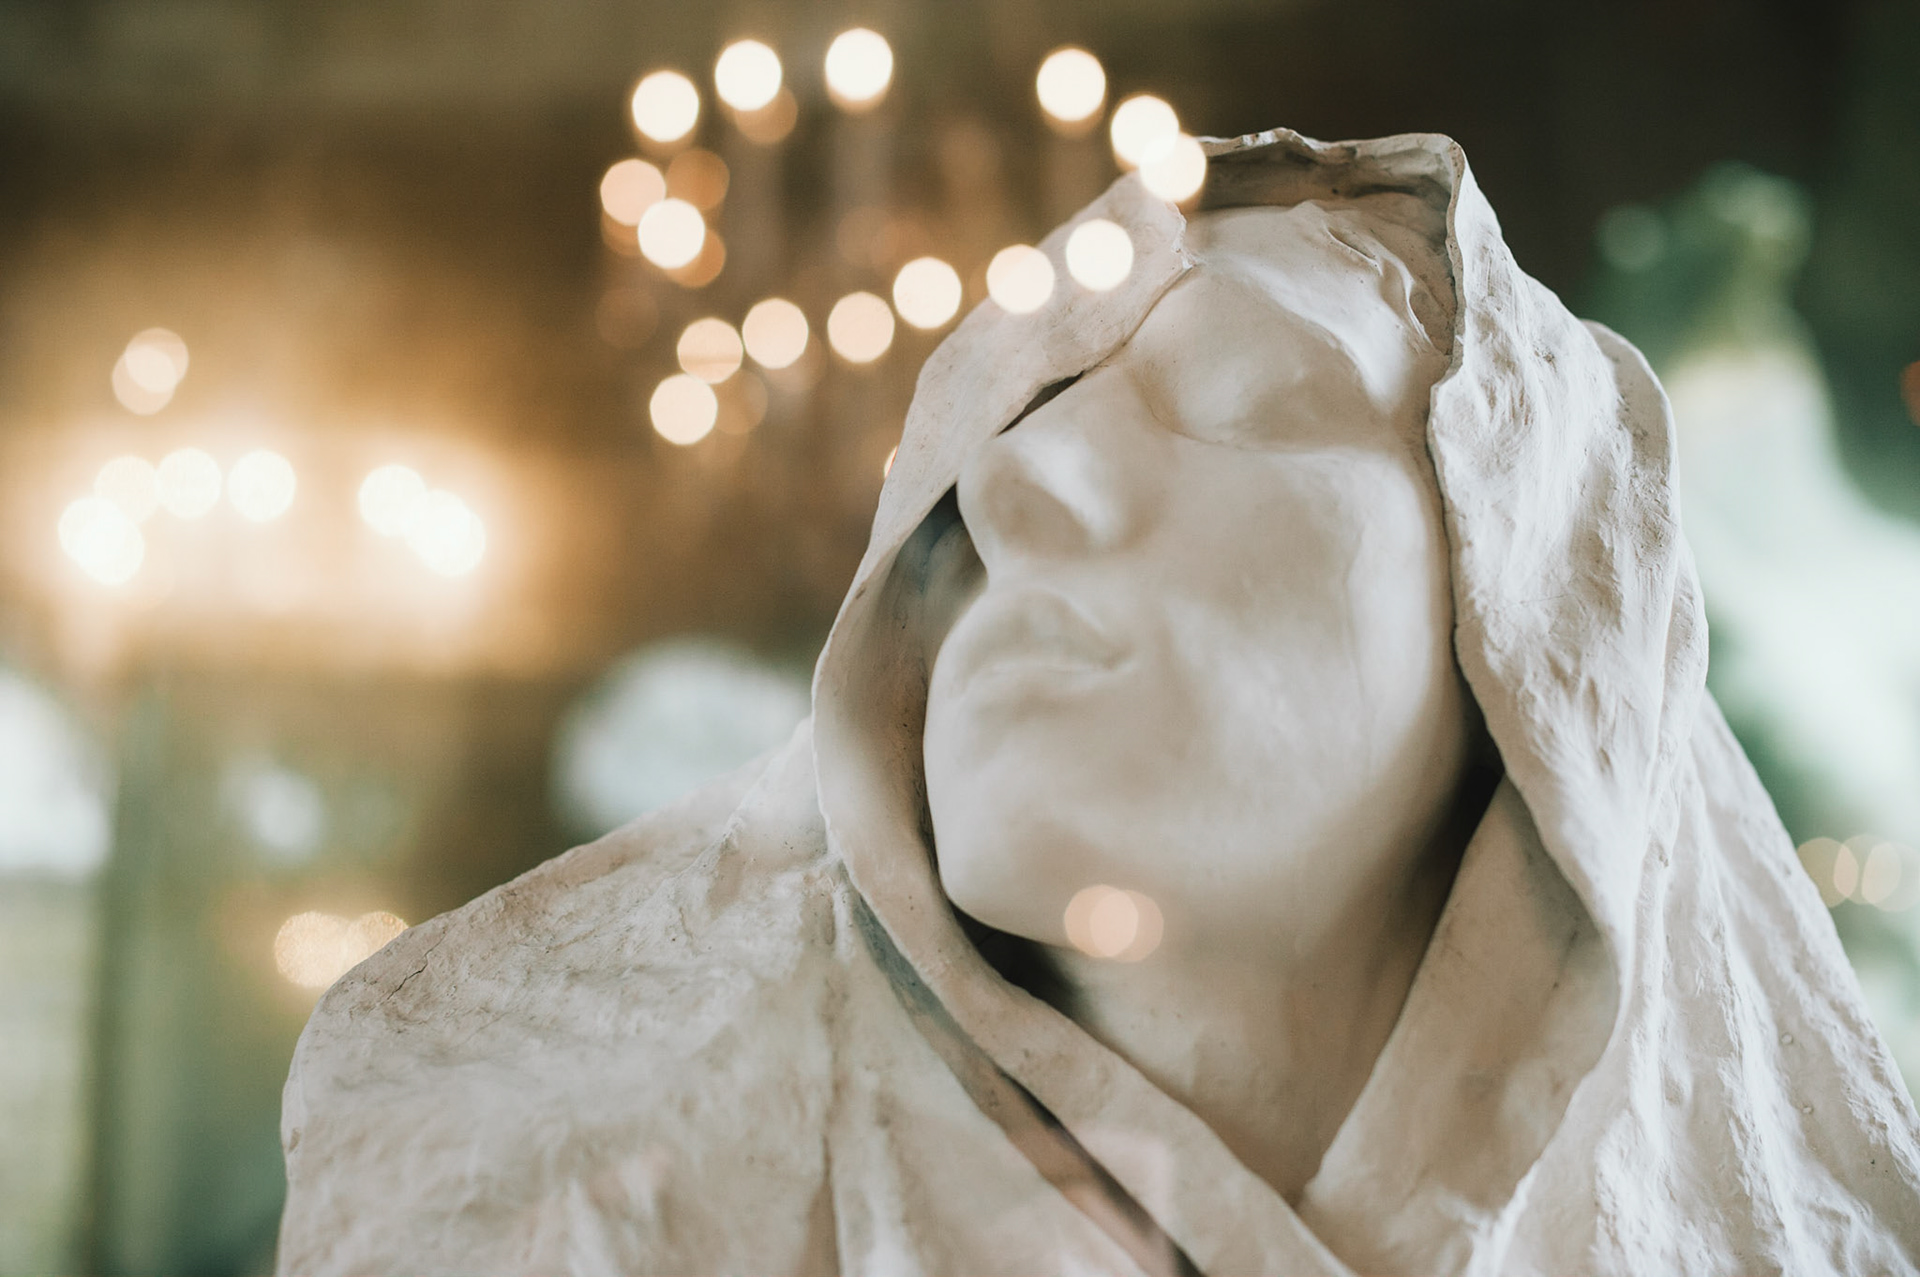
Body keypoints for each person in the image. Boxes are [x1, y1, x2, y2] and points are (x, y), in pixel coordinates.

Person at [276, 130, 1920, 1276]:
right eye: (1017, 411)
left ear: (1548, 655)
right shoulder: (541, 1225)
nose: (1011, 481)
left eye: (1253, 396)